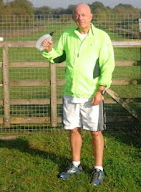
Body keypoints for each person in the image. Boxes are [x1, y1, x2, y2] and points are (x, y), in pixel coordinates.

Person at [41, 3, 115, 186]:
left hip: (92, 94)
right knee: (74, 129)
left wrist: (101, 90)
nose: (80, 18)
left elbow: (108, 65)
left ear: (91, 16)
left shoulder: (101, 37)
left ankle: (98, 168)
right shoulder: (67, 35)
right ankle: (76, 165)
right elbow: (57, 56)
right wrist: (49, 50)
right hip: (71, 93)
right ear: (73, 17)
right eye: (77, 15)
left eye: (83, 14)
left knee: (96, 132)